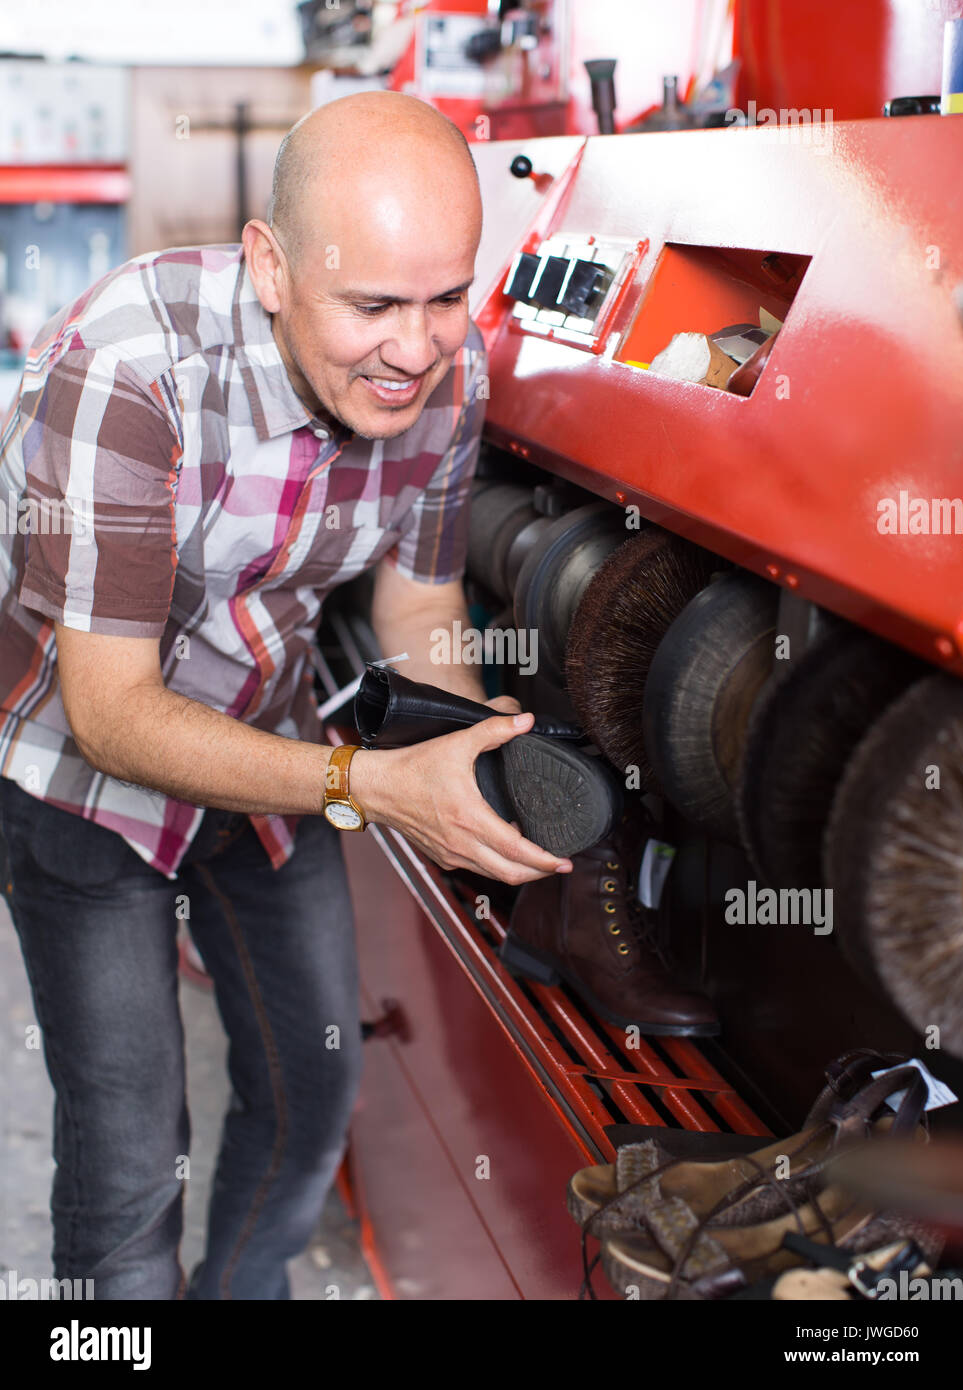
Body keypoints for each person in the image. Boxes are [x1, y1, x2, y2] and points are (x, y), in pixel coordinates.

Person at [0, 91, 571, 1301]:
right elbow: (114, 710)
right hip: (79, 765)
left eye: (446, 297)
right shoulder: (127, 371)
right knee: (129, 1153)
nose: (417, 348)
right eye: (371, 306)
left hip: (261, 728)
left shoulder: (447, 382)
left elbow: (419, 613)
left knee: (314, 1093)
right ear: (269, 266)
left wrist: (465, 767)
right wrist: (367, 783)